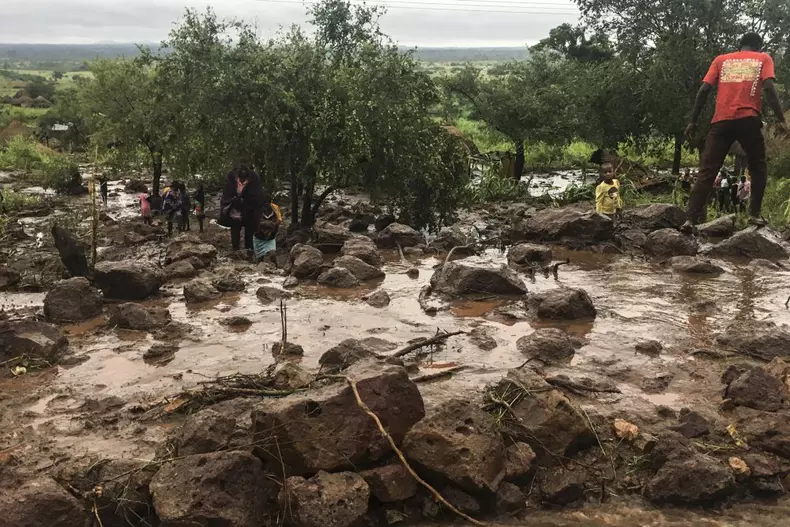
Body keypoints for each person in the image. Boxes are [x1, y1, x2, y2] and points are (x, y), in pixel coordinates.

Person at [682, 32, 789, 232]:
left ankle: (690, 219)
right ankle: (753, 215)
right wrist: (781, 119)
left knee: (707, 171)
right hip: (748, 119)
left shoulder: (721, 60)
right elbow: (768, 87)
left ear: (740, 46)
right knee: (758, 167)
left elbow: (704, 90)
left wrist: (692, 121)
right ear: (758, 46)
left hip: (721, 121)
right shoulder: (763, 58)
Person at [220, 160, 265, 254]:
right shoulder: (231, 177)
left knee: (249, 233)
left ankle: (249, 253)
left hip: (249, 211)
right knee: (235, 231)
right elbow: (227, 192)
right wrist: (233, 201)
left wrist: (246, 201)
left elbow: (257, 196)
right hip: (235, 210)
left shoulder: (254, 178)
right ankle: (236, 252)